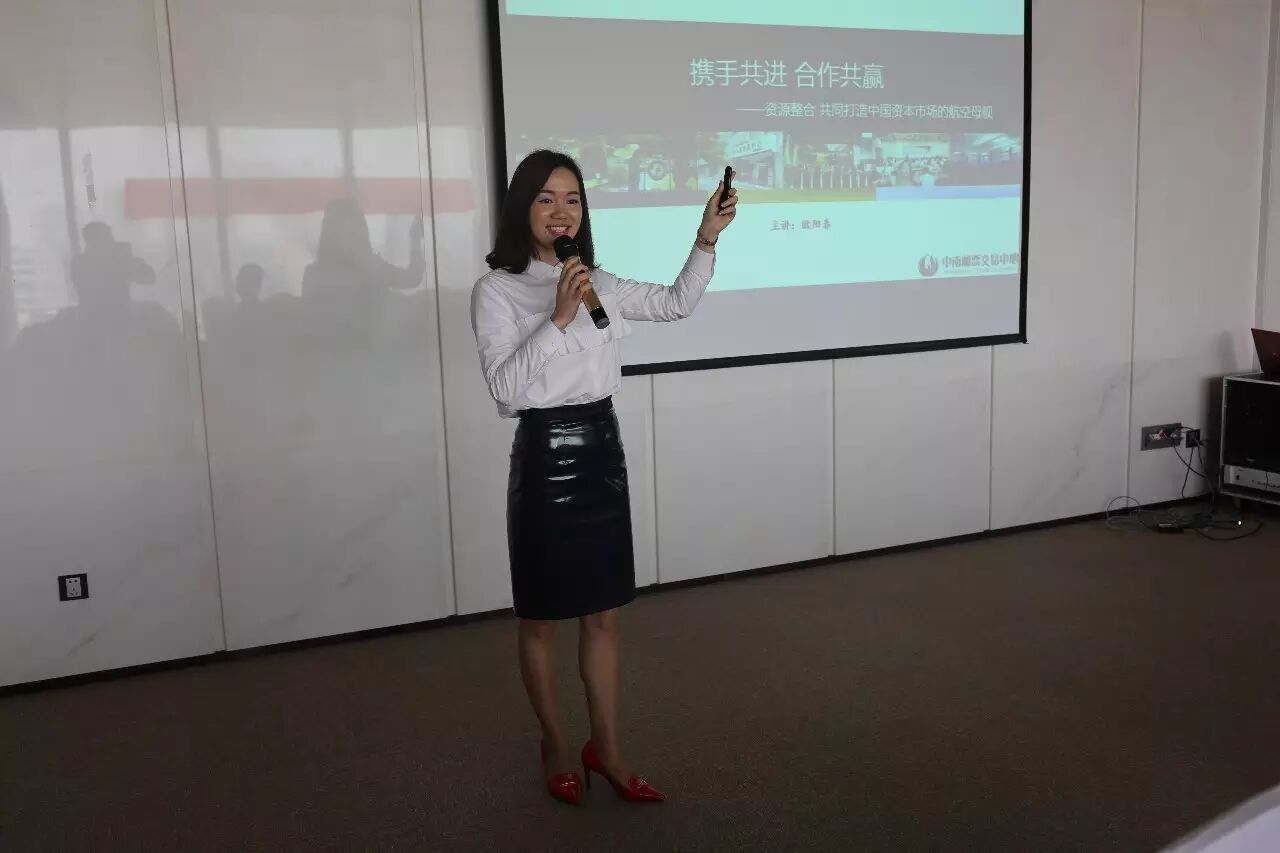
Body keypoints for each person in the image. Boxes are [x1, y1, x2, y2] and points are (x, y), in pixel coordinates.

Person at [470, 150, 737, 806]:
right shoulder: (497, 291)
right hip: (544, 455)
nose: (561, 212)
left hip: (601, 452)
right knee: (541, 619)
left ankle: (608, 748)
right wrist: (558, 317)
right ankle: (556, 742)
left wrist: (706, 238)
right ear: (522, 209)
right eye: (545, 199)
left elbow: (676, 303)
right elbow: (505, 389)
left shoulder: (602, 281)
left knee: (603, 616)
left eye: (572, 199)